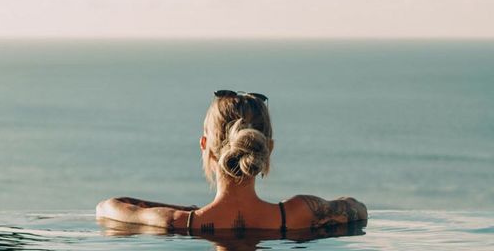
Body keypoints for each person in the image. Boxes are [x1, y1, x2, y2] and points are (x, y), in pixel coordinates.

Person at [95, 90, 368, 234]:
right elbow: (358, 209)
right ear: (267, 148)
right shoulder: (298, 214)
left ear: (205, 147)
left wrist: (190, 211)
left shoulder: (178, 222)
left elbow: (107, 208)